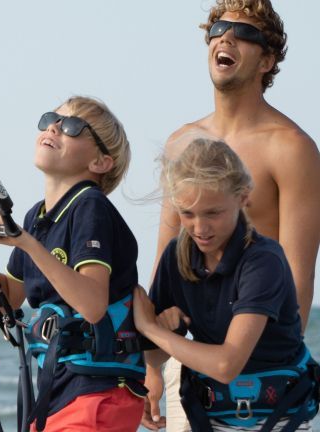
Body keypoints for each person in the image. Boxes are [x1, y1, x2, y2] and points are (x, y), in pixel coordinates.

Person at [147, 1, 320, 430]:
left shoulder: (291, 148)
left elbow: (298, 276)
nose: (225, 38)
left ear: (267, 59)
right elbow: (165, 268)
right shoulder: (181, 143)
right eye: (219, 29)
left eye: (243, 33)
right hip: (191, 366)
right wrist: (150, 369)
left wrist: (265, 368)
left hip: (265, 374)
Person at [0, 96, 145, 432]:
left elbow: (91, 305)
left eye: (72, 126)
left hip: (97, 393)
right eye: (49, 119)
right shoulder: (37, 216)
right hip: (54, 391)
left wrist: (25, 242)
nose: (55, 127)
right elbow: (9, 298)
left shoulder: (90, 206)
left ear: (102, 162)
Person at [135, 138, 318, 431]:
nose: (200, 228)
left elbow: (226, 366)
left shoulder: (263, 260)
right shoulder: (174, 257)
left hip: (277, 418)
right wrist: (167, 338)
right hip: (209, 417)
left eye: (213, 213)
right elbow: (155, 354)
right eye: (187, 213)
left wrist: (152, 329)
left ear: (243, 197)